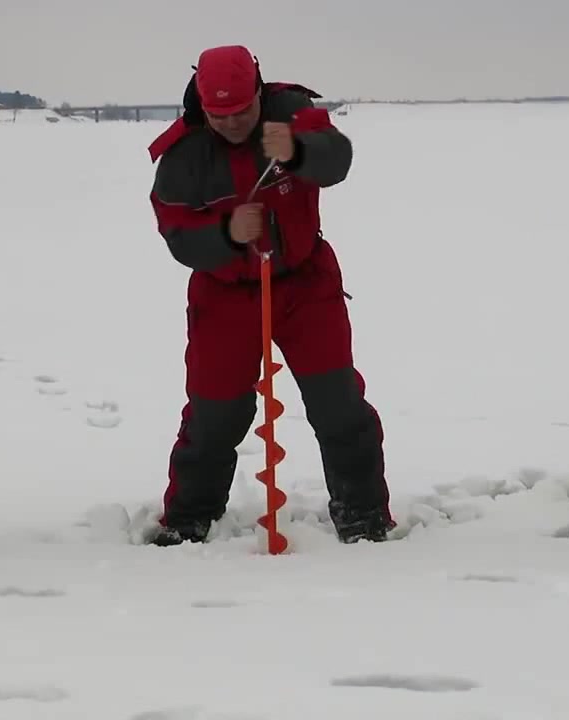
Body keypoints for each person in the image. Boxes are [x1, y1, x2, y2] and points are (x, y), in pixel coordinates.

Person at [145, 45, 392, 546]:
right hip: (225, 292)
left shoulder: (293, 111)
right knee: (215, 412)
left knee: (338, 402)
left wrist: (300, 153)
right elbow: (176, 233)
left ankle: (363, 513)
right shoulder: (182, 153)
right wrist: (225, 232)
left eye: (242, 111)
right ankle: (190, 516)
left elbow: (338, 159)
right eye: (220, 115)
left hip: (305, 282)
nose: (233, 123)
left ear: (260, 91)